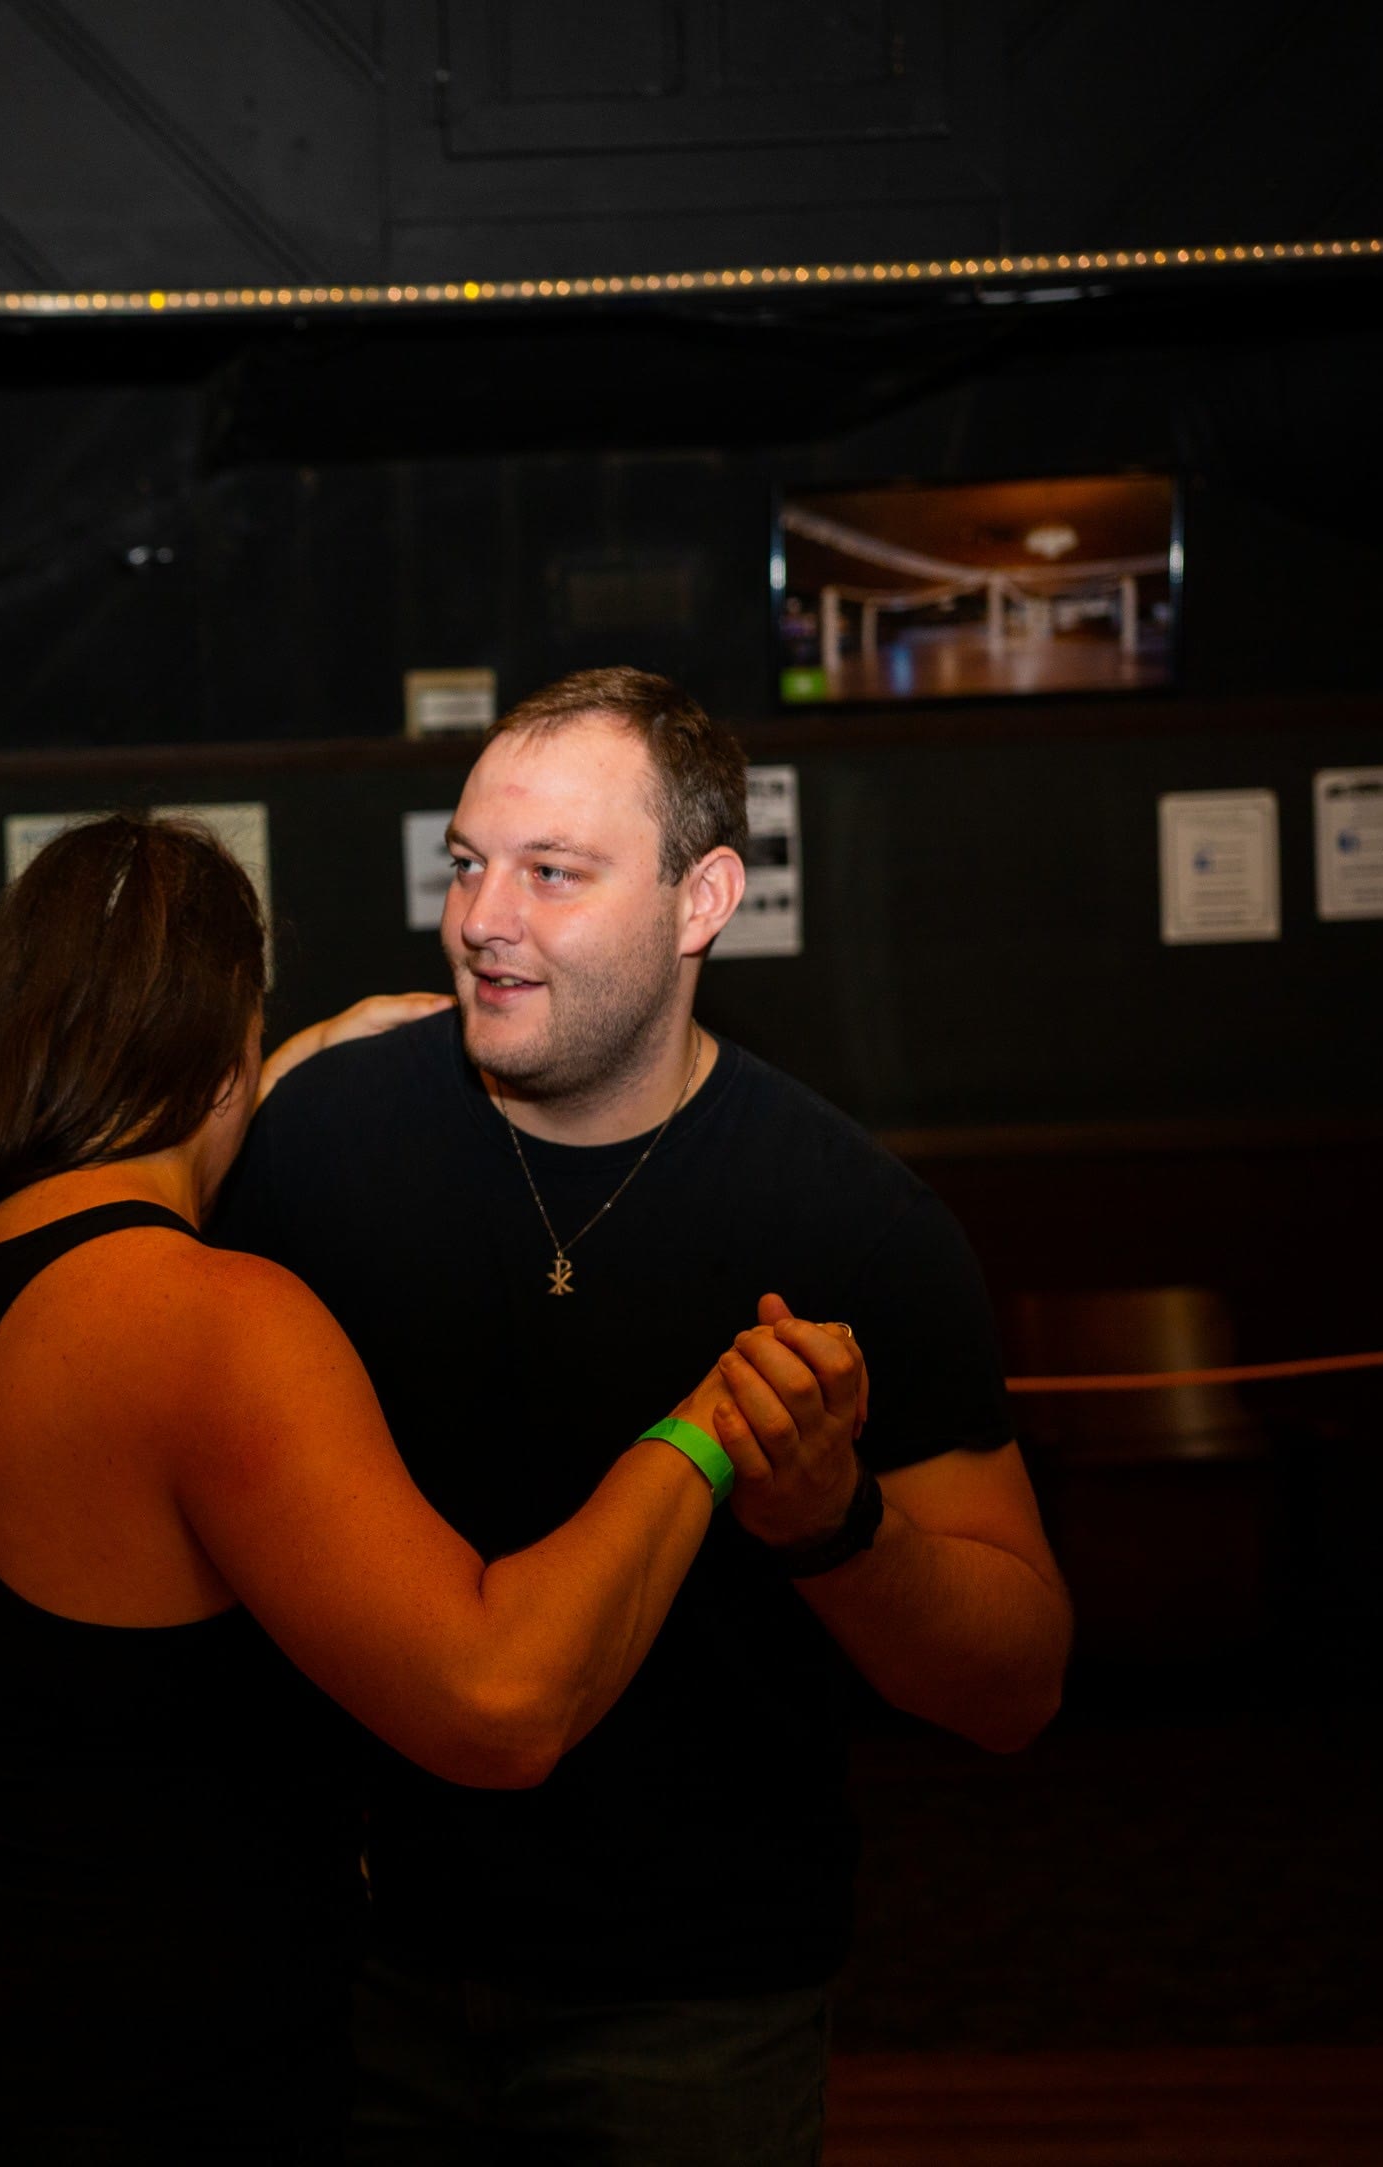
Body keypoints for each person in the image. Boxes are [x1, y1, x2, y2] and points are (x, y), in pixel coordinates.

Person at [0, 814, 872, 2167]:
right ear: (225, 1042)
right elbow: (498, 1701)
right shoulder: (207, 1321)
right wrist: (709, 1426)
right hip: (125, 2085)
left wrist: (291, 1064)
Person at [209, 667, 1074, 2164]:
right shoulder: (323, 1137)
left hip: (693, 2006)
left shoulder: (851, 1222)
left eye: (553, 873)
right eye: (468, 864)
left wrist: (835, 1527)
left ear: (701, 899)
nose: (482, 920)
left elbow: (1016, 1685)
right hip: (349, 1966)